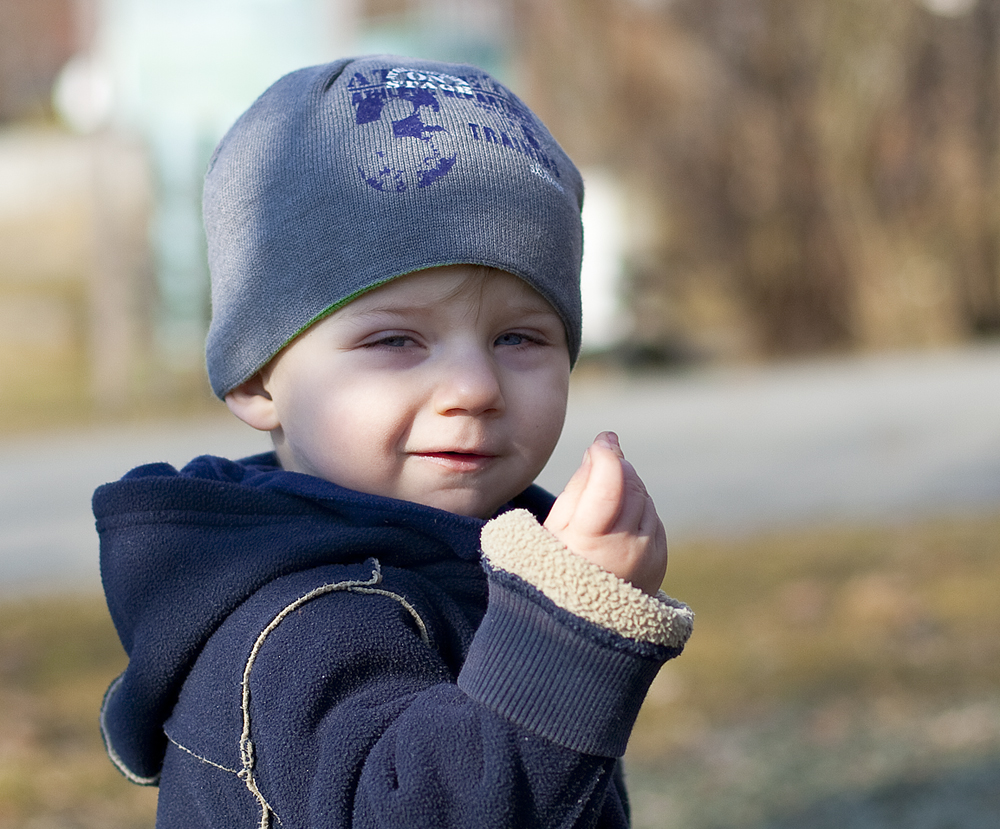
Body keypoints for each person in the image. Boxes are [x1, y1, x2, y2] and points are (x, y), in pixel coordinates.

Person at [94, 55, 693, 828]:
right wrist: (569, 627)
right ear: (256, 379)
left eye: (519, 336)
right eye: (397, 341)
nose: (475, 387)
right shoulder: (305, 622)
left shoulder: (473, 551)